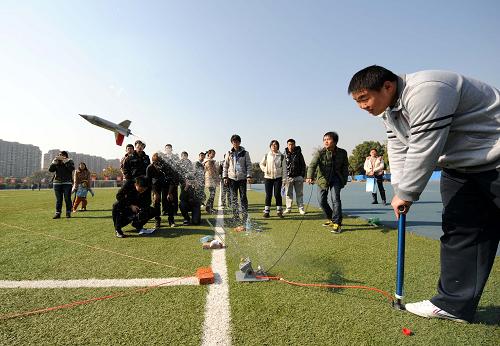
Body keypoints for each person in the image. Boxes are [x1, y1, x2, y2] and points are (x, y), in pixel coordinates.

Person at [348, 65, 500, 323]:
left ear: (387, 86)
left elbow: (424, 146)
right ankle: (453, 305)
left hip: (495, 159)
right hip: (460, 166)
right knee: (460, 231)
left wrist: (408, 192)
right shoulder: (389, 112)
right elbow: (397, 146)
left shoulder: (427, 90)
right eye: (357, 102)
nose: (362, 106)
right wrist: (400, 189)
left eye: (364, 98)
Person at [306, 132, 349, 233]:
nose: (326, 141)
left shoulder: (343, 153)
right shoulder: (320, 153)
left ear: (334, 141)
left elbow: (345, 167)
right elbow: (312, 165)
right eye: (324, 139)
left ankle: (337, 223)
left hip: (336, 179)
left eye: (328, 139)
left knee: (335, 199)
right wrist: (309, 177)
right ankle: (331, 218)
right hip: (323, 179)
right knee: (321, 201)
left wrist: (344, 179)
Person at [223, 134, 252, 224]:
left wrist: (249, 176)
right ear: (232, 143)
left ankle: (244, 215)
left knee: (243, 197)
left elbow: (249, 165)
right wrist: (225, 177)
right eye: (233, 142)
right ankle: (235, 216)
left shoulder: (245, 153)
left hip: (242, 178)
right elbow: (225, 166)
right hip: (232, 179)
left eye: (237, 141)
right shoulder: (229, 153)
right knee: (233, 198)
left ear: (239, 142)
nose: (235, 143)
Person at [146, 153, 179, 229]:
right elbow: (149, 182)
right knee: (156, 202)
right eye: (156, 163)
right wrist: (154, 193)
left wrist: (169, 193)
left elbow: (172, 181)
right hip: (155, 186)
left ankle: (171, 221)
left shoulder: (167, 167)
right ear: (153, 162)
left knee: (169, 201)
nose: (158, 165)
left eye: (160, 163)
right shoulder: (149, 168)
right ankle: (157, 221)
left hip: (167, 185)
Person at [259, 140, 287, 218]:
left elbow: (284, 169)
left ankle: (279, 212)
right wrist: (265, 169)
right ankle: (267, 212)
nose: (274, 146)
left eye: (275, 145)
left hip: (278, 178)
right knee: (268, 195)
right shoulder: (266, 155)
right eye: (272, 144)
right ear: (270, 146)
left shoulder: (282, 156)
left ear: (278, 146)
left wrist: (284, 179)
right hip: (268, 178)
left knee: (277, 194)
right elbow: (261, 164)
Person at [49, 151, 75, 219]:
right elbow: (51, 170)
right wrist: (54, 162)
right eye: (59, 155)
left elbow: (71, 169)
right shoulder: (56, 162)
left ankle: (68, 212)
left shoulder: (70, 161)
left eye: (62, 155)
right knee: (59, 199)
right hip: (57, 183)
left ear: (65, 156)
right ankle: (58, 213)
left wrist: (65, 161)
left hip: (67, 183)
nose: (60, 156)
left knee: (67, 198)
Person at [284, 138, 307, 215]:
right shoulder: (284, 154)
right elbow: (282, 166)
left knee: (299, 193)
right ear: (287, 145)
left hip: (298, 177)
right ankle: (288, 208)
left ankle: (301, 209)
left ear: (295, 145)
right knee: (288, 194)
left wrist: (302, 176)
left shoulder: (299, 154)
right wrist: (284, 176)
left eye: (292, 144)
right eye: (289, 144)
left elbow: (303, 165)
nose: (291, 146)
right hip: (288, 177)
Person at [162, 144, 180, 216]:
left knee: (174, 195)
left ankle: (175, 210)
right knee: (164, 195)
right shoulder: (162, 157)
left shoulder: (175, 157)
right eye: (166, 148)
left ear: (171, 149)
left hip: (173, 179)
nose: (168, 149)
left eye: (169, 148)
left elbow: (178, 168)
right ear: (165, 149)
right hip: (165, 179)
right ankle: (164, 210)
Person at [204, 149, 219, 213]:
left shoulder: (211, 161)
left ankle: (210, 208)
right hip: (210, 179)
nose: (214, 155)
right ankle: (208, 208)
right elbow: (211, 172)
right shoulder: (209, 161)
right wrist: (216, 179)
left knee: (212, 194)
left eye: (214, 154)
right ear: (209, 154)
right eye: (212, 154)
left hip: (211, 179)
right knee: (212, 194)